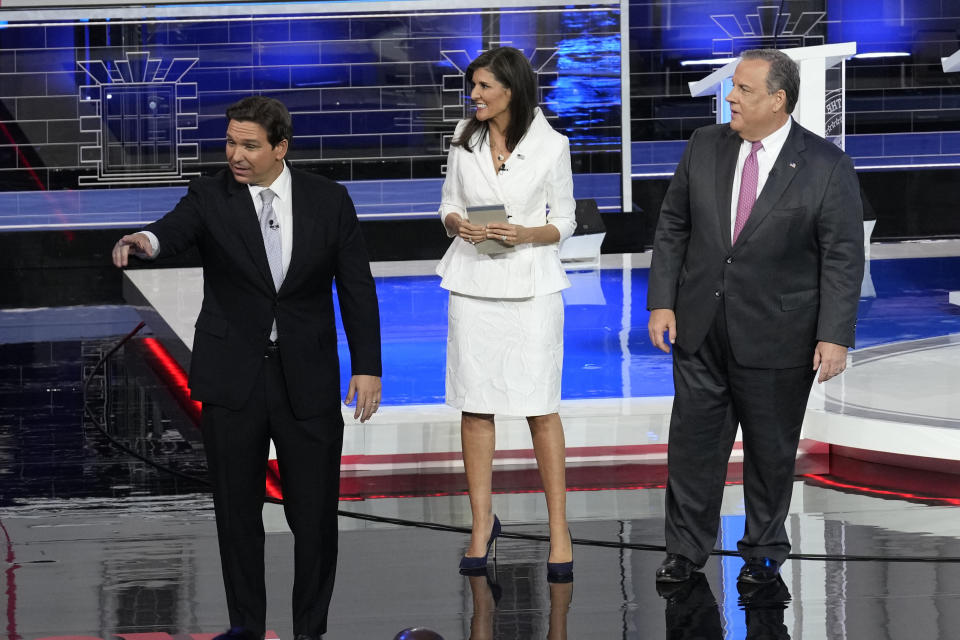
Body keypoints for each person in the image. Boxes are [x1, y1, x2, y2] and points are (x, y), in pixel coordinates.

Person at [111, 96, 382, 640]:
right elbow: (175, 227)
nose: (235, 154)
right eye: (231, 142)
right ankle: (246, 630)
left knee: (314, 518)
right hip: (234, 377)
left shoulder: (329, 201)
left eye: (249, 145)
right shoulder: (210, 195)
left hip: (306, 378)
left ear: (281, 148)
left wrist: (368, 366)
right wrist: (145, 240)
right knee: (237, 518)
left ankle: (310, 630)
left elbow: (356, 285)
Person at [647, 49, 863, 585]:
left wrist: (833, 335)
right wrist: (662, 299)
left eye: (743, 89)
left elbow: (842, 257)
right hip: (699, 330)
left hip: (779, 336)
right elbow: (673, 226)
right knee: (693, 448)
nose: (731, 97)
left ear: (777, 100)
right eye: (732, 87)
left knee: (770, 453)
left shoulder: (825, 165)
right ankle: (685, 551)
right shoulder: (704, 146)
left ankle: (764, 551)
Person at [436, 46, 576, 582]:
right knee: (476, 405)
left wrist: (526, 233)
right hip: (473, 283)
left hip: (533, 286)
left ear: (511, 91)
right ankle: (480, 523)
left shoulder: (552, 146)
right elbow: (447, 202)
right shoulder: (463, 139)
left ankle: (558, 530)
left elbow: (564, 220)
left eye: (484, 87)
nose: (474, 96)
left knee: (540, 407)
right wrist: (456, 224)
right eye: (472, 87)